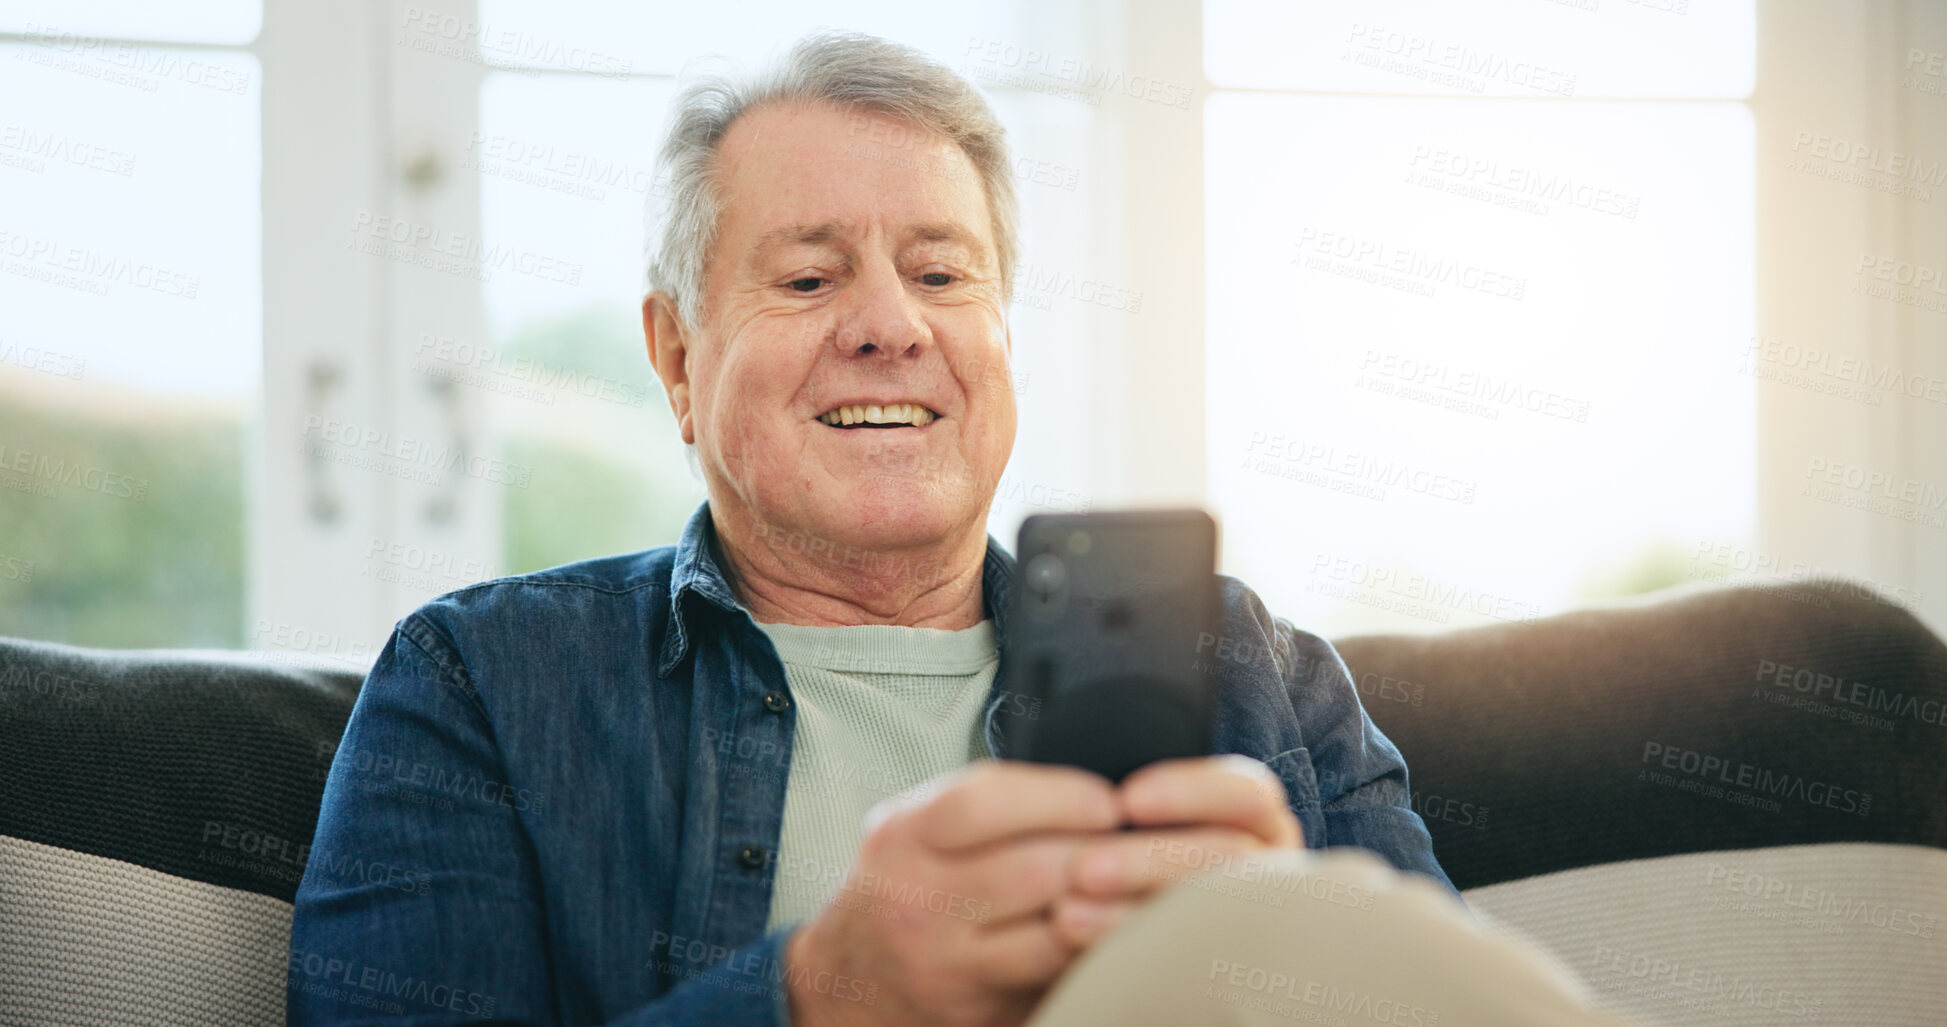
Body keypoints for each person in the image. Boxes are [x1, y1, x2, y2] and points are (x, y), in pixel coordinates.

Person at [287, 30, 1453, 1026]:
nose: (891, 325)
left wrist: (1294, 970)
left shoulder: (1262, 678)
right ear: (678, 357)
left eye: (944, 275)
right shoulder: (481, 685)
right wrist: (816, 993)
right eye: (806, 281)